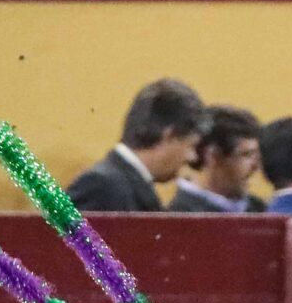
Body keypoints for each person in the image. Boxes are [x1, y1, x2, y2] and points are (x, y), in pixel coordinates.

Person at [65, 78, 207, 210]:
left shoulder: (116, 185)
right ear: (169, 135)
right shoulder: (99, 187)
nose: (192, 157)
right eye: (191, 146)